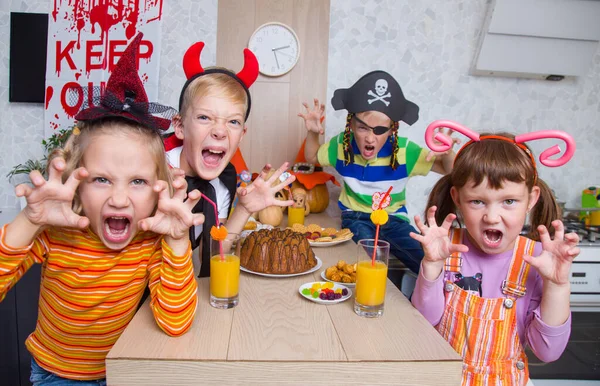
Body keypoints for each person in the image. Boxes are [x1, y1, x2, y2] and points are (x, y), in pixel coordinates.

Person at [0, 33, 201, 384]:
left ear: (158, 190)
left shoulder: (149, 242)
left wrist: (178, 242)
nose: (119, 199)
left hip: (125, 373)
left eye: (137, 182)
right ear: (76, 182)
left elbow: (175, 322)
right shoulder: (56, 233)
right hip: (56, 375)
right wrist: (28, 222)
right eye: (102, 180)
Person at [409, 121, 578, 385]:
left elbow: (547, 352)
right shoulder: (446, 250)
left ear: (531, 199)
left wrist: (557, 286)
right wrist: (431, 265)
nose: (491, 216)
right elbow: (424, 324)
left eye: (509, 201)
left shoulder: (537, 260)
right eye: (477, 201)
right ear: (458, 198)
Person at [299, 70, 458, 274]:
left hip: (394, 220)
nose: (370, 138)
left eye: (380, 130)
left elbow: (448, 170)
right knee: (367, 262)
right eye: (363, 128)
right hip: (357, 217)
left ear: (392, 129)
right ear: (351, 125)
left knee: (427, 263)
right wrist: (312, 132)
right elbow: (311, 157)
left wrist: (447, 153)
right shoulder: (342, 145)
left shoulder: (405, 150)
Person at [163, 41, 295, 277]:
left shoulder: (221, 184)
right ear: (180, 127)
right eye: (204, 117)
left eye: (233, 122)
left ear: (241, 135)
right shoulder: (155, 168)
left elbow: (215, 249)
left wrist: (243, 209)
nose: (220, 131)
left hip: (176, 291)